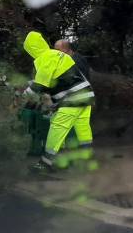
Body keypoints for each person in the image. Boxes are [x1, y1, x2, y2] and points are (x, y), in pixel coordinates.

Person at [23, 31, 95, 171]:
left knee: (57, 128)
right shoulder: (56, 55)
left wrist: (23, 96)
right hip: (85, 95)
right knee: (82, 128)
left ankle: (45, 164)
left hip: (72, 99)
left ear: (32, 49)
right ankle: (87, 158)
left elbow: (40, 85)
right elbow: (55, 78)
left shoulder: (44, 58)